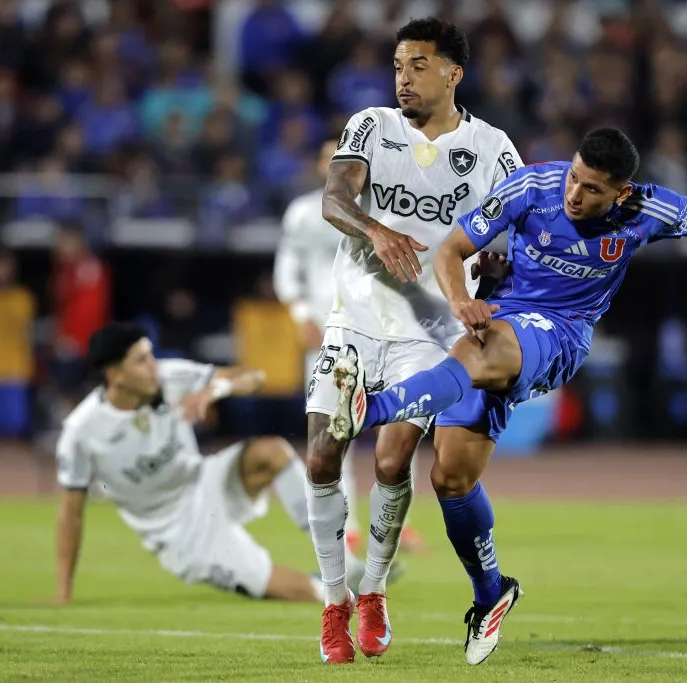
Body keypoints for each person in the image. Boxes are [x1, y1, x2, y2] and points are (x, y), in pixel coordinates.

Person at [327, 127, 687, 665]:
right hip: (497, 318)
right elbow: (452, 249)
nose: (574, 194)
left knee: (474, 354)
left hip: (559, 334)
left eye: (592, 189)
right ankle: (491, 591)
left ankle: (368, 409)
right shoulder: (531, 187)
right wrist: (462, 301)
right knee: (450, 477)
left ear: (620, 192)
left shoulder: (646, 210)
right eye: (574, 177)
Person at [305, 17, 522, 664]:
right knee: (321, 455)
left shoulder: (492, 148)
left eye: (418, 64)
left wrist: (500, 277)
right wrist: (375, 230)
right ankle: (333, 601)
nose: (403, 76)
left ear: (454, 72)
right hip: (355, 317)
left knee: (395, 463)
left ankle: (373, 592)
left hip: (431, 333)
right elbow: (333, 199)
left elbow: (517, 229)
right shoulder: (371, 125)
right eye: (398, 65)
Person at [54, 322, 369, 604]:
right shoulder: (81, 431)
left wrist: (214, 389)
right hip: (179, 533)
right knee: (298, 592)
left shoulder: (168, 377)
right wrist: (64, 591)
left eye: (150, 355)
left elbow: (254, 377)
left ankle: (347, 565)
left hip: (205, 481)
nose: (153, 366)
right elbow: (71, 513)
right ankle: (338, 595)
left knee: (272, 452)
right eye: (141, 360)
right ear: (114, 374)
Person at [274, 137, 424, 556]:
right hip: (328, 331)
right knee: (334, 428)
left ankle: (398, 523)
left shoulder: (385, 208)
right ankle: (349, 525)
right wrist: (300, 313)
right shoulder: (305, 212)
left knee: (400, 423)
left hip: (385, 326)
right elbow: (287, 268)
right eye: (327, 159)